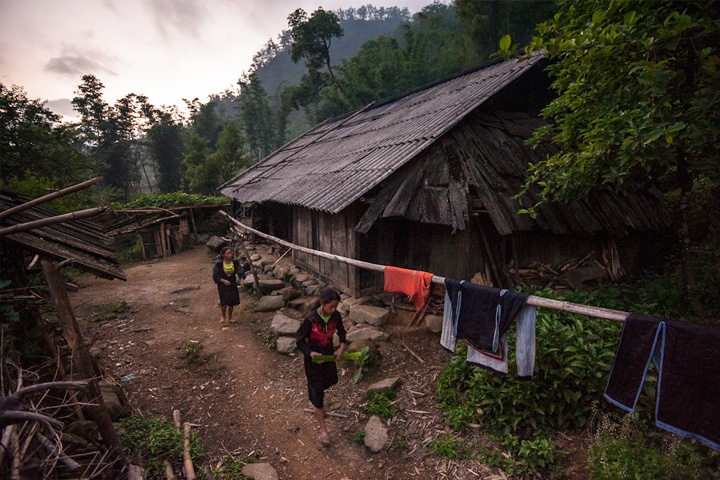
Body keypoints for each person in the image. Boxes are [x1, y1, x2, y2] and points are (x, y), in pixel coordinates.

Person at [296, 287, 347, 447]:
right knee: (318, 393)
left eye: (335, 307)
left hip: (328, 358)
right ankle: (323, 430)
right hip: (313, 363)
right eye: (331, 306)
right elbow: (299, 341)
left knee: (329, 382)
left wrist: (341, 347)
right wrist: (310, 353)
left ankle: (316, 401)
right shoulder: (310, 320)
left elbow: (342, 332)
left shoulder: (336, 316)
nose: (333, 310)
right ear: (322, 303)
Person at [212, 246, 246, 324]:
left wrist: (241, 278)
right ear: (223, 255)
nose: (230, 255)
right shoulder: (219, 264)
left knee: (232, 301)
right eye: (228, 253)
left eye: (231, 253)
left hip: (232, 283)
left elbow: (240, 270)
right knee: (224, 301)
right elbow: (215, 275)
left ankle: (230, 318)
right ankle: (223, 316)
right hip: (222, 285)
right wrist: (223, 281)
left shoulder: (234, 262)